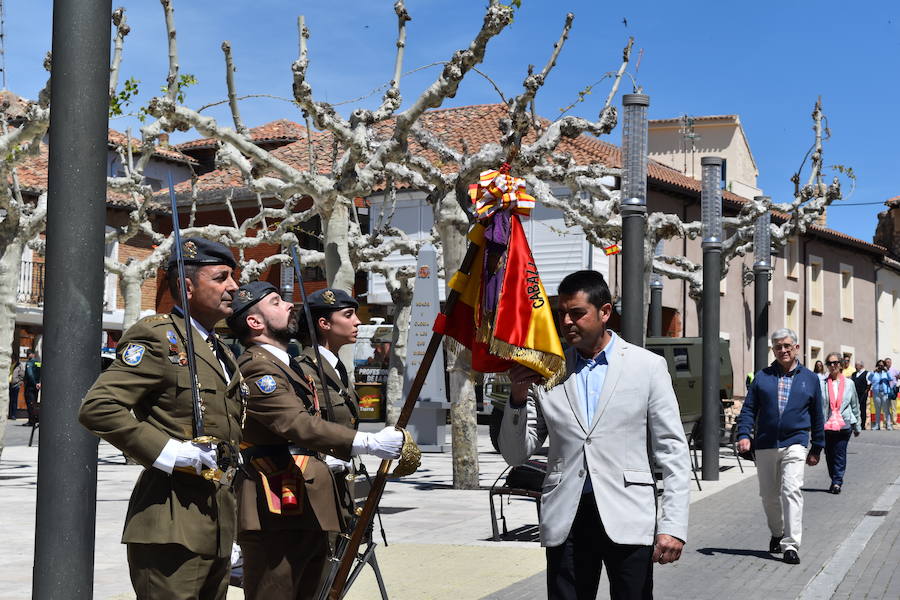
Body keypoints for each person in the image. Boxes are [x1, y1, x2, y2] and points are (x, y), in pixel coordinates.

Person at [500, 270, 690, 600]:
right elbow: (516, 455)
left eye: (577, 313)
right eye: (562, 314)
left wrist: (672, 526)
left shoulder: (647, 367)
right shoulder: (549, 372)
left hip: (628, 513)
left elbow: (673, 450)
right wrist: (517, 396)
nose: (568, 322)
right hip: (567, 518)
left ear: (604, 312)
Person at [79, 238, 244, 600]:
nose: (234, 286)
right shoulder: (157, 337)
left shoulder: (222, 351)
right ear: (187, 286)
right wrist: (171, 453)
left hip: (216, 521)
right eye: (221, 278)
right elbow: (99, 407)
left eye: (233, 278)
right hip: (169, 521)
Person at [227, 281, 407, 600]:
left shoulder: (286, 366)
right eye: (276, 302)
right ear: (254, 322)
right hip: (274, 499)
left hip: (304, 496)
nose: (289, 305)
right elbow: (293, 422)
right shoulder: (258, 368)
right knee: (278, 591)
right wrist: (367, 442)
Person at [736, 328, 824, 565]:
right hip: (765, 444)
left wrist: (817, 447)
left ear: (796, 348)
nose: (783, 350)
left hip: (795, 442)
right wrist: (744, 434)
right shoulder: (762, 377)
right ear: (773, 350)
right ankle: (778, 532)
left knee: (791, 490)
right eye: (778, 347)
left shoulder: (810, 378)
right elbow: (748, 410)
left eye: (787, 345)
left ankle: (791, 544)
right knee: (768, 496)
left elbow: (817, 415)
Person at [820, 352, 861, 494]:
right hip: (827, 424)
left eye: (835, 362)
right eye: (830, 363)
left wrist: (857, 426)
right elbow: (818, 406)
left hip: (844, 424)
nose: (833, 366)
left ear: (841, 364)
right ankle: (834, 478)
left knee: (839, 452)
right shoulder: (822, 384)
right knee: (829, 454)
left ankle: (837, 482)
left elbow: (855, 405)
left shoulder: (849, 384)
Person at [868, 360, 893, 430]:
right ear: (877, 365)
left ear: (884, 366)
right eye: (879, 365)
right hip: (876, 393)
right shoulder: (874, 373)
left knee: (886, 410)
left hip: (884, 393)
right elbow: (869, 378)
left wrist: (886, 371)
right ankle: (877, 425)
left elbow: (891, 378)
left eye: (882, 365)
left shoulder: (886, 373)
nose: (880, 366)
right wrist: (873, 372)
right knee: (877, 410)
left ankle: (888, 425)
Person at [850, 361, 871, 430]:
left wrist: (866, 392)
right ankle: (854, 424)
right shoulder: (854, 374)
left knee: (863, 409)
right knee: (854, 409)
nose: (856, 366)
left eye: (857, 365)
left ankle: (862, 425)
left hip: (863, 394)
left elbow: (869, 384)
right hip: (854, 394)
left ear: (861, 366)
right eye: (855, 365)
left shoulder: (867, 373)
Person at [23, 349, 40, 426]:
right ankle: (35, 419)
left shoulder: (29, 363)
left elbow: (30, 374)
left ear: (32, 354)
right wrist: (39, 383)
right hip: (37, 386)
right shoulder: (38, 362)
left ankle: (31, 421)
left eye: (28, 354)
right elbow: (41, 372)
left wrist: (34, 383)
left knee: (30, 403)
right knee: (34, 403)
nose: (27, 355)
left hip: (30, 386)